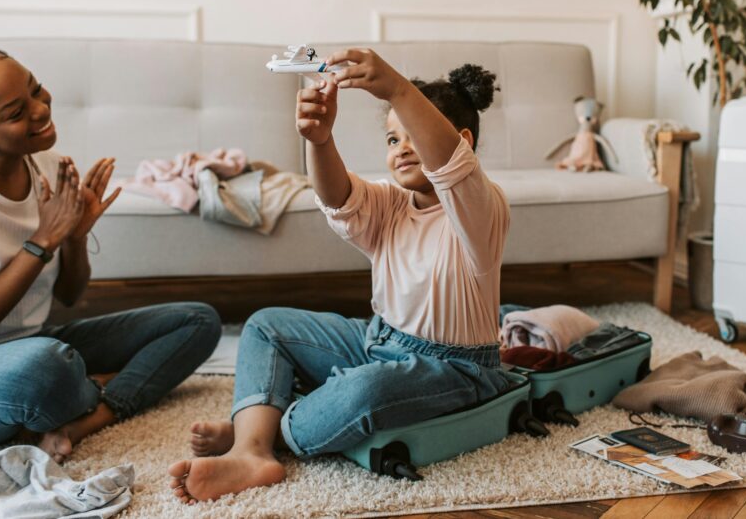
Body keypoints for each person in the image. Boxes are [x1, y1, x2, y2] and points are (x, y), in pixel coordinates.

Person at [169, 48, 510, 502]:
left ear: (462, 141)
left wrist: (396, 88)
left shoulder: (480, 209)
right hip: (378, 339)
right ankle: (252, 449)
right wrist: (320, 139)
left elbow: (450, 165)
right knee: (267, 325)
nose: (402, 148)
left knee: (362, 391)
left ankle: (267, 424)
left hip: (455, 367)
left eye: (412, 135)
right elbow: (337, 196)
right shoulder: (392, 205)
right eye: (392, 140)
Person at [0, 41, 221, 462]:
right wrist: (42, 241)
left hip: (32, 343)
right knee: (45, 368)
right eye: (16, 113)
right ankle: (101, 386)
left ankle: (89, 412)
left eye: (36, 90)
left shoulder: (48, 166)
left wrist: (75, 236)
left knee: (196, 321)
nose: (40, 110)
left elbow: (71, 297)